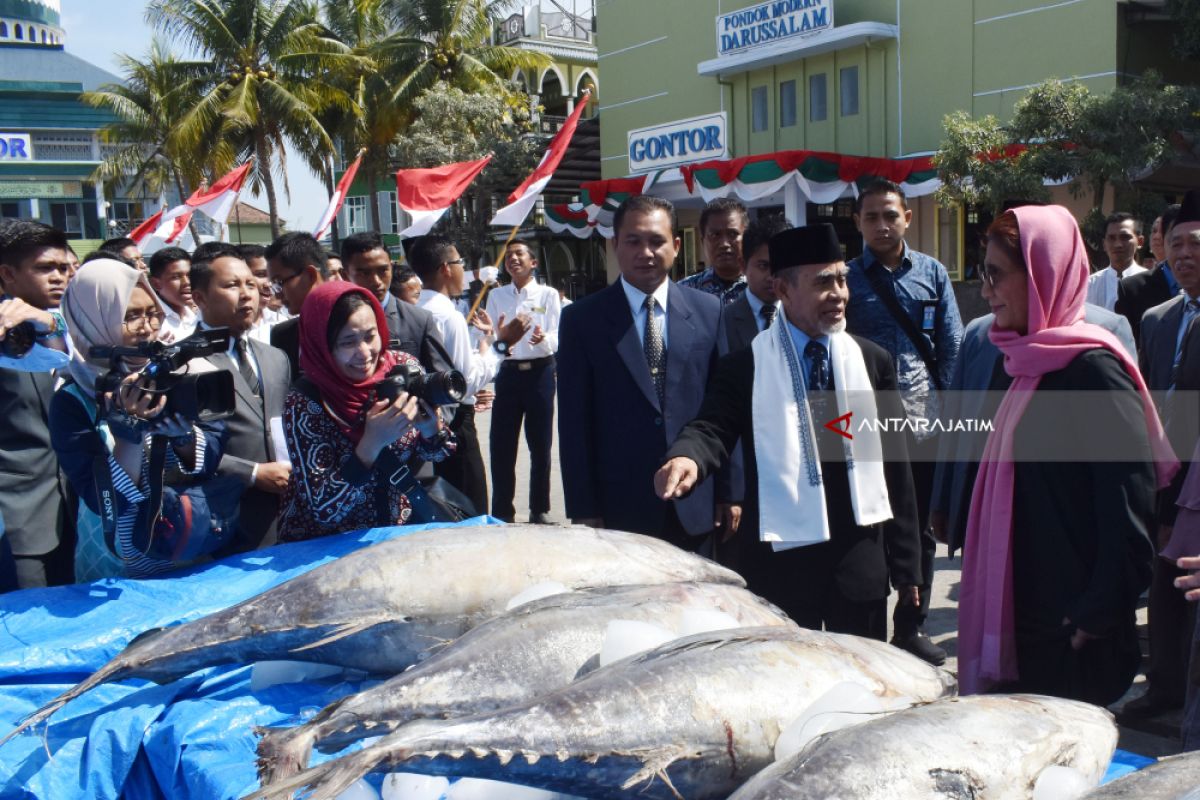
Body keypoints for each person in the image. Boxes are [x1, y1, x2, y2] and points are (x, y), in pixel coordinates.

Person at [957, 205, 1177, 705]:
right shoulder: (1018, 361)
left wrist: (1093, 618)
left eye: (996, 274)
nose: (986, 290)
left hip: (1068, 633)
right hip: (1021, 616)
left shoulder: (1093, 371)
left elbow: (1129, 513)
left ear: (1042, 275)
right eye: (981, 273)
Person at [657, 223, 921, 638]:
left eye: (841, 279)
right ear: (782, 289)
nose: (838, 294)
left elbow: (896, 468)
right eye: (822, 282)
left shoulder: (871, 361)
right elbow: (712, 426)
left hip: (858, 565)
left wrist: (908, 567)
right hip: (781, 566)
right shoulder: (747, 366)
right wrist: (688, 456)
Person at [558, 195, 722, 548]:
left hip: (695, 499)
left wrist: (730, 492)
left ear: (676, 246)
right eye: (633, 241)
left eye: (656, 241)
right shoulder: (582, 320)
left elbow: (722, 410)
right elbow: (573, 422)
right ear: (616, 245)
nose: (645, 252)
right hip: (619, 507)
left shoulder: (710, 312)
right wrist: (583, 506)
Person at [846, 178, 962, 665]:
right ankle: (868, 627)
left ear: (907, 218)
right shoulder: (846, 278)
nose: (881, 225)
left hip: (924, 423)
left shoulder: (932, 273)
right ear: (858, 222)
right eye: (871, 216)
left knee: (921, 530)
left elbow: (952, 345)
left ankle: (910, 626)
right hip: (865, 426)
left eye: (890, 215)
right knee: (872, 523)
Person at [49, 259, 224, 579]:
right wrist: (129, 431)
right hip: (117, 569)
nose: (147, 327)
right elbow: (99, 497)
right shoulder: (72, 402)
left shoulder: (181, 373)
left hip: (189, 551)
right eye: (131, 316)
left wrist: (183, 438)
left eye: (152, 313)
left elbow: (212, 457)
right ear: (93, 319)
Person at [930, 303, 1135, 559]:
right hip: (986, 505)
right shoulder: (979, 332)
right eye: (987, 274)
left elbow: (1124, 447)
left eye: (999, 274)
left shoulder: (1105, 328)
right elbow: (957, 416)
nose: (987, 290)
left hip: (1068, 516)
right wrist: (943, 498)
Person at [278, 282, 454, 541]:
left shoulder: (402, 369)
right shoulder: (306, 403)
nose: (364, 353)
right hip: (327, 549)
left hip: (396, 533)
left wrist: (431, 430)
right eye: (348, 342)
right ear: (322, 346)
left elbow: (439, 452)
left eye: (370, 336)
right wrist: (369, 446)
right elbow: (324, 509)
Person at [1131, 191, 1200, 717]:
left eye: (1195, 243)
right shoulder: (1156, 318)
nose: (1184, 254)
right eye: (1175, 243)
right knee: (1165, 587)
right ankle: (1164, 690)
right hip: (1165, 474)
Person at [410, 234, 529, 517]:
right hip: (455, 424)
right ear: (445, 268)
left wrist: (483, 342)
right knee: (469, 507)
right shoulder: (447, 315)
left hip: (425, 424)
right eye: (460, 262)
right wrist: (502, 345)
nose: (464, 269)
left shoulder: (414, 310)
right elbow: (465, 381)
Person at [191, 248, 292, 551]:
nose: (247, 294)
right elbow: (177, 449)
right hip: (219, 522)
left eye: (250, 283)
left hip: (285, 519)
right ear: (199, 298)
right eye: (232, 285)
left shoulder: (276, 358)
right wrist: (251, 473)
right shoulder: (184, 363)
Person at [0, 220, 74, 588]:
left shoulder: (65, 327)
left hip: (74, 510)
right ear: (8, 274)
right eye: (45, 268)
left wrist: (48, 324)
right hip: (16, 522)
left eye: (63, 268)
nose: (59, 277)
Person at [484, 240, 562, 524]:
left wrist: (545, 341)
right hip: (508, 374)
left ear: (534, 263)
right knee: (501, 443)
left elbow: (557, 333)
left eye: (520, 254)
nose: (513, 258)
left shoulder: (547, 295)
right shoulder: (497, 296)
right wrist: (493, 337)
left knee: (540, 444)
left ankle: (539, 508)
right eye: (509, 255)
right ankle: (502, 509)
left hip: (540, 373)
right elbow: (491, 335)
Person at [342, 231, 454, 375]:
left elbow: (443, 382)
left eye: (383, 270)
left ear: (392, 267)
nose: (376, 281)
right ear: (345, 275)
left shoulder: (419, 321)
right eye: (364, 273)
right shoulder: (331, 322)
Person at [265, 232, 329, 382]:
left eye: (280, 282)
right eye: (274, 285)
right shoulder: (281, 335)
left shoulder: (357, 324)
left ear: (310, 275)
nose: (278, 294)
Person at [1117, 205, 1180, 346]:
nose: (1185, 250)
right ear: (1163, 239)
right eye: (1177, 240)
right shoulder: (1132, 289)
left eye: (1195, 241)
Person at [678, 197, 749, 305]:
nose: (724, 244)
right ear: (703, 242)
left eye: (732, 234)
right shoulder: (684, 291)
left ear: (747, 237)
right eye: (715, 235)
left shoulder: (764, 288)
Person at [1087, 212, 1147, 311]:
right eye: (1111, 238)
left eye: (1125, 237)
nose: (1118, 244)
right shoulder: (1091, 284)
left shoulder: (1150, 283)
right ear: (1104, 244)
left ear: (1140, 241)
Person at [148, 246, 196, 343]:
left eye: (190, 275)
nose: (187, 282)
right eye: (176, 277)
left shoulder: (199, 316)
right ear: (156, 284)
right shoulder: (150, 324)